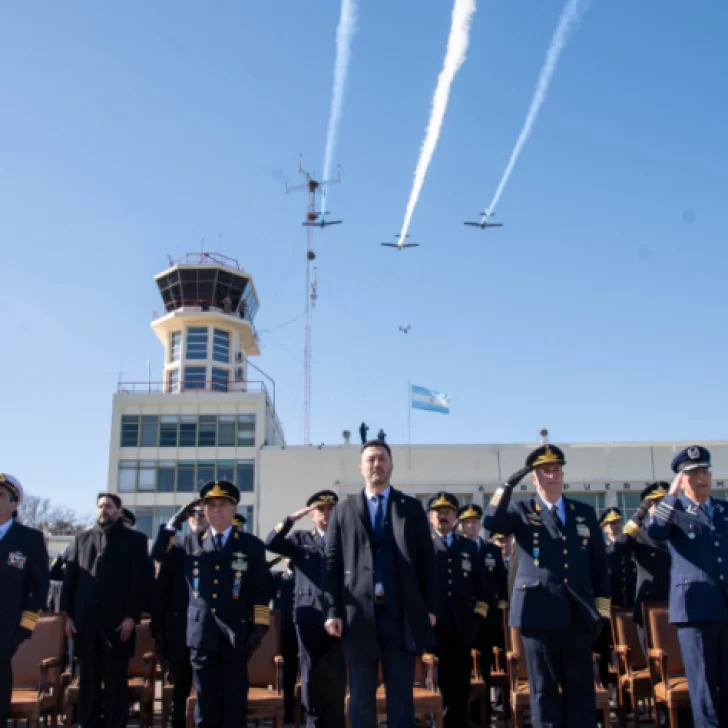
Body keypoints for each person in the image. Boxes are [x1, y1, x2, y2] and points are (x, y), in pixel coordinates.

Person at [483, 444, 610, 728]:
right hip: (537, 614)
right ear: (534, 478)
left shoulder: (584, 512)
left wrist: (602, 610)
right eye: (544, 471)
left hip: (578, 612)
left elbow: (599, 564)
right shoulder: (521, 509)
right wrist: (506, 486)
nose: (552, 476)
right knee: (544, 692)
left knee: (581, 691)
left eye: (556, 470)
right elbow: (491, 522)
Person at [324, 440, 436, 728]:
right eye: (371, 459)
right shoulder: (344, 510)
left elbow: (427, 562)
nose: (377, 464)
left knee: (401, 697)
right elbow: (332, 564)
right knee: (361, 697)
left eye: (382, 459)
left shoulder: (410, 508)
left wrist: (430, 607)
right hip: (358, 617)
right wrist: (332, 610)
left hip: (401, 617)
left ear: (391, 466)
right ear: (361, 467)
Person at [151, 480, 270, 728]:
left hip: (236, 634)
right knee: (205, 704)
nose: (217, 510)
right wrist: (174, 523)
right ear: (204, 511)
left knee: (234, 703)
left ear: (234, 509)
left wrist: (259, 629)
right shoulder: (188, 543)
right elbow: (158, 554)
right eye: (211, 505)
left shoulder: (251, 545)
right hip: (201, 634)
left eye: (223, 505)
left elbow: (261, 589)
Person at [647, 446, 728, 728]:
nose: (703, 477)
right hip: (695, 611)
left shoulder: (723, 510)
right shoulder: (674, 511)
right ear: (682, 479)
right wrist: (671, 495)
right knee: (704, 690)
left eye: (705, 471)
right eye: (694, 473)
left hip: (725, 608)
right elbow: (655, 532)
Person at [61, 493, 149, 728]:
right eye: (100, 506)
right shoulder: (82, 539)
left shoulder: (136, 540)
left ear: (119, 511)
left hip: (118, 626)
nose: (103, 510)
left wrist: (132, 616)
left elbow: (138, 583)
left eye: (108, 506)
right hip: (85, 624)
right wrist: (66, 617)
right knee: (87, 684)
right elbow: (70, 581)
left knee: (115, 686)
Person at [266, 490, 346, 728]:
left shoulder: (344, 539)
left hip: (338, 615)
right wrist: (291, 519)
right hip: (308, 615)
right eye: (320, 510)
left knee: (336, 673)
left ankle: (335, 721)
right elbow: (271, 542)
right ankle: (313, 722)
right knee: (310, 673)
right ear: (312, 515)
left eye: (330, 509)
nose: (326, 514)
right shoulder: (300, 539)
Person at [428, 493, 489, 728]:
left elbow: (482, 589)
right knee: (434, 683)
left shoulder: (468, 546)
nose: (443, 516)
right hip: (433, 628)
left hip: (462, 628)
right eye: (438, 512)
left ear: (455, 517)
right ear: (431, 516)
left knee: (460, 684)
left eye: (448, 512)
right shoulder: (423, 545)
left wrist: (475, 619)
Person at [0, 473, 50, 728]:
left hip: (6, 627)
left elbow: (40, 588)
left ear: (14, 503)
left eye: (0, 496)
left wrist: (24, 626)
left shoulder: (29, 539)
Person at [152, 504, 208, 728]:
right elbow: (156, 554)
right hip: (180, 629)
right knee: (180, 689)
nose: (197, 517)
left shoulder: (219, 543)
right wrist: (173, 524)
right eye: (192, 514)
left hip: (208, 627)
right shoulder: (178, 545)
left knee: (209, 691)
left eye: (201, 513)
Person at [458, 504, 508, 720]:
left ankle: (484, 713)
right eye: (467, 522)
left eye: (475, 522)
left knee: (485, 667)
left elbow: (502, 584)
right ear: (460, 525)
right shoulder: (456, 548)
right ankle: (466, 713)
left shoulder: (492, 550)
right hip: (463, 618)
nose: (472, 526)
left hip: (488, 620)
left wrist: (501, 613)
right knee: (463, 668)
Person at [613, 482, 671, 654]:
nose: (660, 507)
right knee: (657, 664)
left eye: (664, 502)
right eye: (655, 503)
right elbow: (619, 548)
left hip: (679, 604)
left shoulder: (681, 531)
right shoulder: (639, 532)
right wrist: (639, 514)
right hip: (650, 605)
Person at [595, 507, 636, 689]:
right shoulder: (602, 551)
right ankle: (610, 691)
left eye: (618, 521)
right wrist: (606, 612)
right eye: (610, 523)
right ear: (603, 528)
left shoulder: (631, 549)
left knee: (631, 650)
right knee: (606, 649)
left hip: (629, 607)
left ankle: (627, 698)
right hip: (608, 608)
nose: (615, 526)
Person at [269, 557, 298, 724]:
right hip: (282, 634)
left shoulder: (304, 577)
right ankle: (284, 713)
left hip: (301, 632)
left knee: (297, 676)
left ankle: (296, 712)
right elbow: (259, 573)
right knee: (283, 674)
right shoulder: (277, 578)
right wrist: (275, 559)